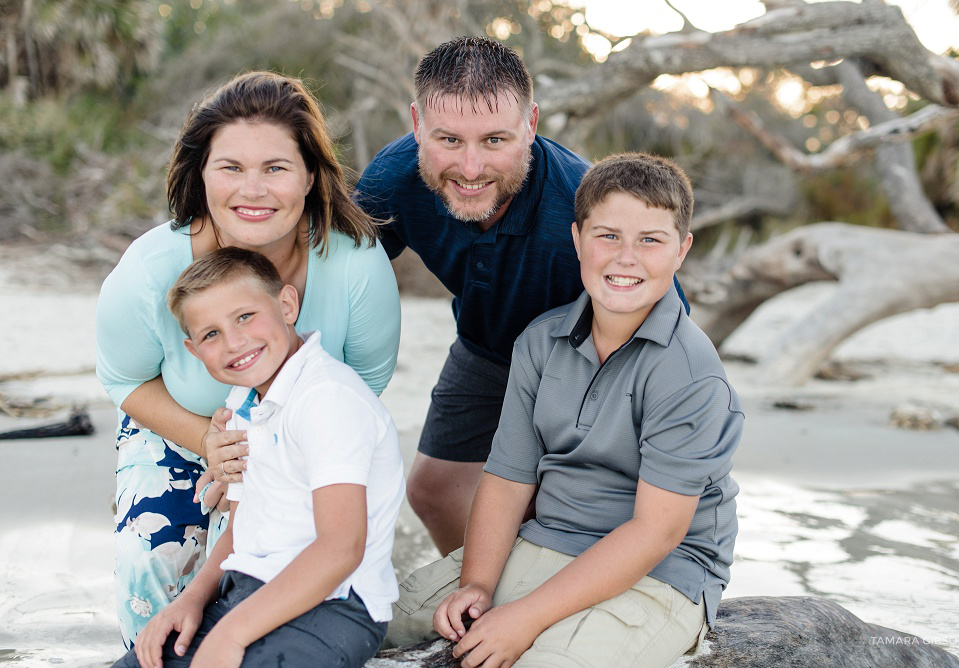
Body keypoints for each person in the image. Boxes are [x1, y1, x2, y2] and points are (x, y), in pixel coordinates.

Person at [386, 153, 743, 668]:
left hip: (660, 572)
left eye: (650, 240)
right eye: (608, 236)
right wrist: (479, 585)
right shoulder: (539, 342)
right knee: (375, 619)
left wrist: (525, 618)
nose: (626, 257)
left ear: (682, 249)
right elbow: (507, 480)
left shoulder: (689, 373)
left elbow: (655, 532)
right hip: (545, 541)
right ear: (576, 240)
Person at [96, 70, 401, 647]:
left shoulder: (356, 265)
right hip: (176, 427)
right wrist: (206, 440)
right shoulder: (148, 270)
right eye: (231, 168)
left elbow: (365, 381)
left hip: (295, 437)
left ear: (311, 176)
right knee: (153, 563)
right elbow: (123, 377)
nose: (252, 190)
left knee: (251, 571)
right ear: (201, 174)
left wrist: (266, 450)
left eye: (276, 169)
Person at [352, 37, 689, 555]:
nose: (469, 167)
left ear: (531, 125)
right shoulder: (394, 179)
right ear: (417, 123)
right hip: (483, 346)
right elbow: (336, 269)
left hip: (586, 359)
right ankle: (470, 588)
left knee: (545, 501)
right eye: (448, 139)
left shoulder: (578, 201)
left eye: (494, 141)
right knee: (432, 488)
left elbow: (665, 307)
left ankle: (540, 596)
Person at [113, 247, 404, 668]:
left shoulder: (327, 399)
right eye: (211, 334)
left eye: (245, 317)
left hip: (334, 606)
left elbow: (342, 547)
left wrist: (231, 635)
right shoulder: (241, 405)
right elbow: (239, 525)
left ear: (287, 305)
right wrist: (192, 599)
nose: (234, 342)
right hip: (243, 595)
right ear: (195, 352)